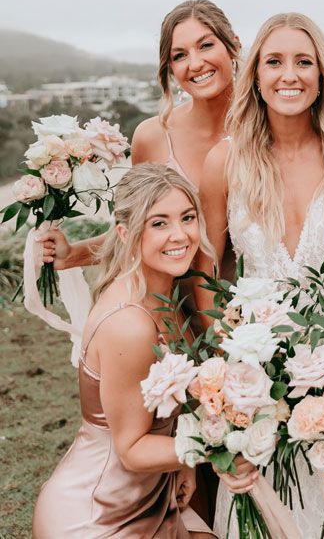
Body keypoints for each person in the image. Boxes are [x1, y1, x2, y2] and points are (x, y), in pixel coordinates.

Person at [195, 12, 324, 538]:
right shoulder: (224, 161)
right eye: (274, 61)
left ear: (322, 74)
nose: (289, 75)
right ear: (254, 74)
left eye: (304, 61)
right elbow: (207, 276)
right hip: (252, 389)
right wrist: (230, 384)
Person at [32, 163, 219, 538]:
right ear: (126, 233)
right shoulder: (130, 325)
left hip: (152, 495)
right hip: (98, 514)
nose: (180, 235)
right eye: (159, 223)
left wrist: (183, 465)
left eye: (187, 217)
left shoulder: (166, 295)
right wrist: (225, 441)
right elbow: (131, 449)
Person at [39, 0, 240, 269]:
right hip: (172, 303)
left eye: (206, 45)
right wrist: (75, 254)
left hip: (262, 306)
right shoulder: (152, 137)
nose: (195, 63)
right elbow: (137, 231)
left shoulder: (270, 129)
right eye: (179, 55)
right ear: (170, 68)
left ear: (234, 45)